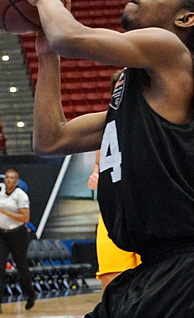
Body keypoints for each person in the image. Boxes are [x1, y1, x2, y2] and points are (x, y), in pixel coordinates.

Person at [1, 0, 194, 317]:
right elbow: (50, 141)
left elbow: (69, 35)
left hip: (192, 265)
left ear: (185, 19)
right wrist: (47, 55)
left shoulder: (172, 49)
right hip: (158, 266)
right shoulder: (134, 100)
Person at [86, 71, 141, 293]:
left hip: (149, 214)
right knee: (114, 289)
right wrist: (96, 172)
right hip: (115, 215)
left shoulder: (159, 119)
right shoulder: (107, 125)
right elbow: (99, 168)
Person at [0, 169, 36, 314]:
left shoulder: (21, 196)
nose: (9, 180)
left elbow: (25, 218)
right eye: (7, 177)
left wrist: (6, 212)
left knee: (21, 267)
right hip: (2, 234)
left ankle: (30, 293)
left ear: (17, 181)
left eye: (12, 178)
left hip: (18, 234)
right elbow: (0, 212)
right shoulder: (0, 194)